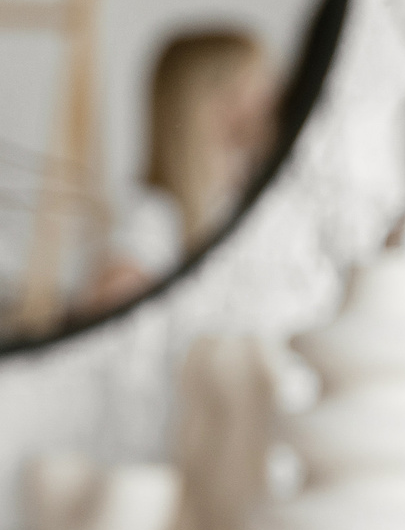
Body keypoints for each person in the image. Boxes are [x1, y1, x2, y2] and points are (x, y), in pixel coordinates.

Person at [82, 26, 278, 316]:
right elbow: (107, 305)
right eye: (262, 82)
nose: (275, 97)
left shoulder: (231, 203)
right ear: (219, 103)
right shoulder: (153, 219)